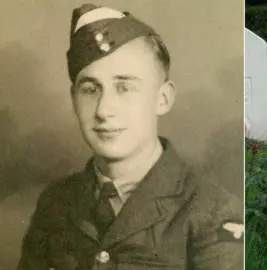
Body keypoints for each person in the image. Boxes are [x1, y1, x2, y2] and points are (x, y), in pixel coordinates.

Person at [17, 3, 244, 270]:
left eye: (124, 87)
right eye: (90, 89)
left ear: (163, 99)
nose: (103, 110)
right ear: (73, 99)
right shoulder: (56, 202)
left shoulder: (211, 210)